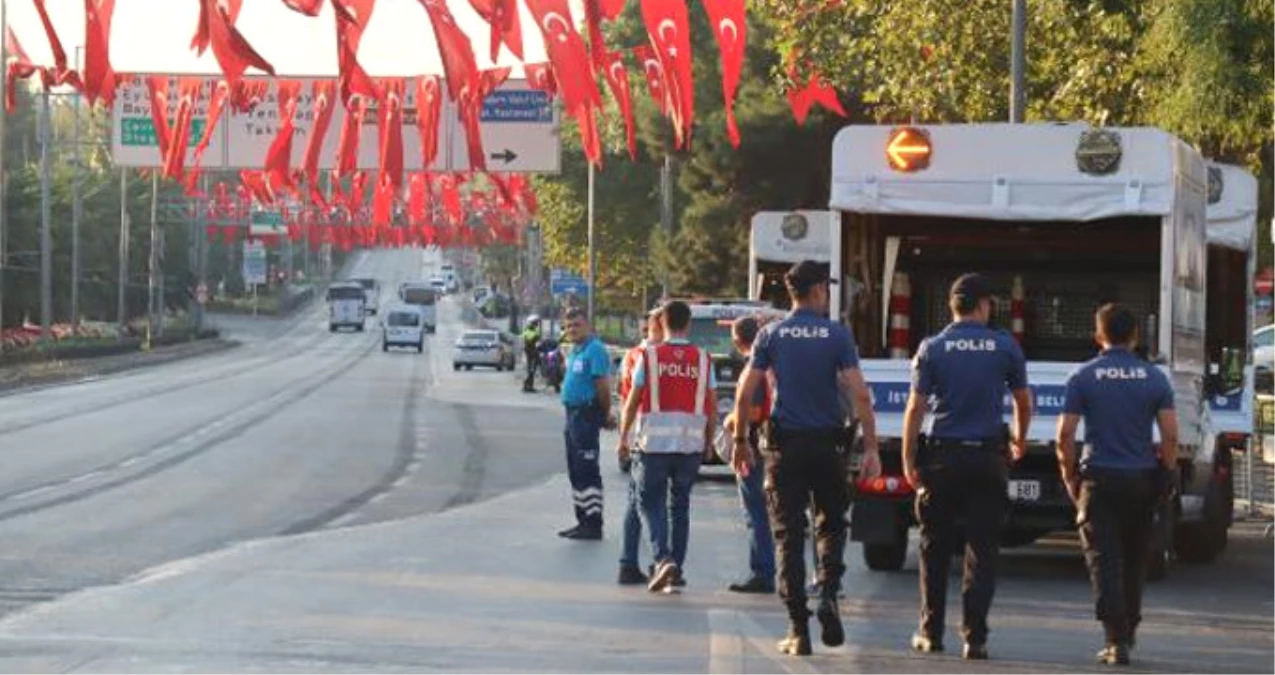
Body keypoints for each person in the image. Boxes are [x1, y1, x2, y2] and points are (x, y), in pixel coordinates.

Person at [731, 261, 881, 657]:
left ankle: (798, 629)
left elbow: (746, 391)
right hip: (829, 448)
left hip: (785, 449)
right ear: (816, 291)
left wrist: (740, 440)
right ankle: (829, 593)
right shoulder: (836, 335)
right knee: (831, 525)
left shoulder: (770, 334)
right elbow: (859, 394)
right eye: (826, 290)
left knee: (788, 535)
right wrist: (871, 447)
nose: (827, 296)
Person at [901, 272, 1032, 661]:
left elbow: (915, 408)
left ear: (953, 306)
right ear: (982, 305)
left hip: (942, 458)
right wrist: (1019, 441)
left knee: (934, 547)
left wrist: (909, 459)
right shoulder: (1004, 346)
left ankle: (930, 631)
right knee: (982, 549)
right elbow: (1024, 401)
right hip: (988, 458)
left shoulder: (933, 347)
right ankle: (975, 638)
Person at [1056, 303, 1178, 666]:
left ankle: (1114, 638)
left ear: (1098, 336)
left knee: (1103, 560)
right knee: (1134, 558)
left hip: (1099, 479)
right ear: (1135, 336)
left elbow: (1065, 434)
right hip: (1140, 479)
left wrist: (1068, 475)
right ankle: (1129, 628)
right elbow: (1170, 435)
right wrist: (1166, 473)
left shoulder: (1083, 377)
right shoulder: (1155, 378)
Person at [619, 300, 716, 593]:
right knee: (680, 506)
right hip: (690, 446)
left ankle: (662, 559)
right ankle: (676, 567)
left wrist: (624, 437)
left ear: (662, 324)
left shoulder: (649, 357)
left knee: (649, 503)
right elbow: (712, 404)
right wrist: (710, 441)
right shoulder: (703, 359)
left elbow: (634, 399)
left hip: (654, 444)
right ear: (688, 324)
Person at [722, 315, 776, 594]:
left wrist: (731, 421)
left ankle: (763, 571)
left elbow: (753, 411)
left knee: (755, 511)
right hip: (775, 443)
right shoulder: (775, 367)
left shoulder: (755, 369)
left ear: (737, 340)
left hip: (753, 446)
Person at [615, 305, 666, 585]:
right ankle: (656, 561)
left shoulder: (633, 355)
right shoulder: (647, 356)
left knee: (638, 502)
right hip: (649, 436)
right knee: (647, 502)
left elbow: (624, 398)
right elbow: (629, 398)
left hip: (640, 433)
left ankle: (630, 561)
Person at [557, 308, 614, 540]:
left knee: (588, 470)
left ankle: (593, 522)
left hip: (586, 414)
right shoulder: (575, 351)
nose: (572, 329)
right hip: (572, 415)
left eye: (577, 325)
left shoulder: (595, 350)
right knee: (576, 470)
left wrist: (605, 413)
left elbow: (602, 386)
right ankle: (581, 519)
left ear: (588, 326)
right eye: (568, 326)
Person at [522, 316, 543, 392]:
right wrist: (536, 337)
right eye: (536, 322)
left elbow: (537, 340)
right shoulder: (529, 330)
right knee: (531, 369)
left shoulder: (532, 329)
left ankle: (529, 385)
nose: (537, 324)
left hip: (532, 351)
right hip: (530, 351)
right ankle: (527, 385)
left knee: (532, 369)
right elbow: (529, 339)